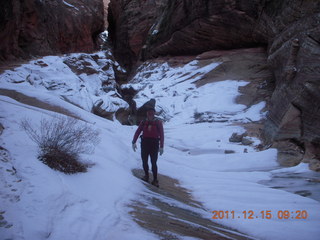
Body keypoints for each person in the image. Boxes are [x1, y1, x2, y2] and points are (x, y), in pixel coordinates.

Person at [132, 106, 164, 187]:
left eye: (151, 113)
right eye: (149, 113)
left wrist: (161, 146)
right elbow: (138, 131)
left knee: (153, 162)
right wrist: (133, 142)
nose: (150, 114)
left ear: (154, 113)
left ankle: (155, 180)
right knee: (144, 161)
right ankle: (146, 176)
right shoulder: (143, 122)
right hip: (145, 143)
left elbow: (162, 135)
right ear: (147, 114)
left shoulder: (158, 122)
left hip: (154, 144)